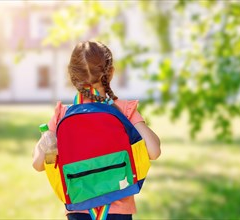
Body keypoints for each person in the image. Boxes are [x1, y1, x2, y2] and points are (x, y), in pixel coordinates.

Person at [32, 41, 161, 220]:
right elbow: (154, 151)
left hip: (79, 210)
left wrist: (48, 141)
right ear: (111, 73)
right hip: (118, 211)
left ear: (72, 77)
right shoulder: (124, 110)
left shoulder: (61, 115)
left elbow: (38, 164)